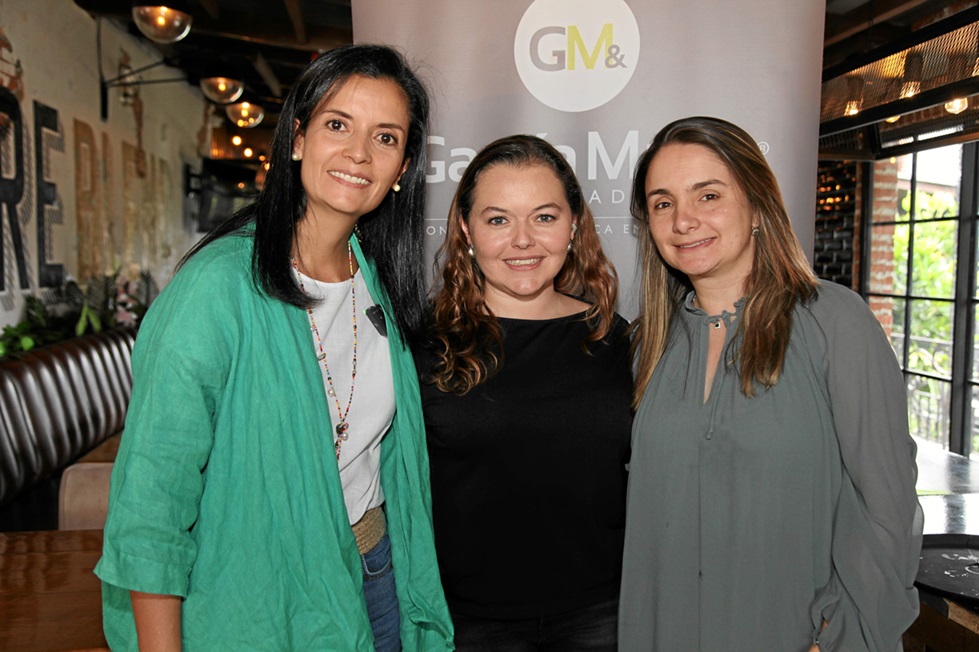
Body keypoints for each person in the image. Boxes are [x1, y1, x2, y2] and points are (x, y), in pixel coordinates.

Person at [95, 44, 454, 651]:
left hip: (375, 575)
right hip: (251, 595)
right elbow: (153, 506)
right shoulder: (216, 289)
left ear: (403, 168)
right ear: (296, 139)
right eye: (337, 125)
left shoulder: (379, 279)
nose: (359, 153)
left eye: (386, 137)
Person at [619, 116, 922, 651]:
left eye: (707, 195)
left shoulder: (834, 322)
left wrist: (838, 634)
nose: (683, 220)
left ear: (757, 205)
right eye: (663, 203)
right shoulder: (647, 346)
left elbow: (888, 509)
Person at [416, 134, 632, 651]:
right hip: (467, 622)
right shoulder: (424, 343)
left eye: (544, 216)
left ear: (573, 224)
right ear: (466, 230)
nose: (523, 241)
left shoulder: (613, 336)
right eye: (498, 220)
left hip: (603, 612)